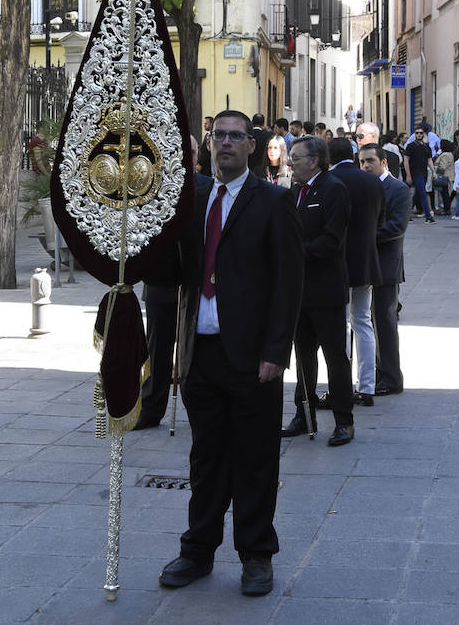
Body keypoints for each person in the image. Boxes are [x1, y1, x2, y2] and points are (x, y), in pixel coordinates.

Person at [158, 111, 303, 596]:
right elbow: (173, 266)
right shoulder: (193, 199)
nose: (224, 143)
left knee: (256, 460)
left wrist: (276, 352)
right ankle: (196, 551)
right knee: (205, 461)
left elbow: (288, 284)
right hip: (202, 353)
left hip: (253, 358)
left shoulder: (274, 202)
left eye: (235, 137)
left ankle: (256, 554)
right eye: (218, 135)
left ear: (252, 146)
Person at [282, 136, 354, 447]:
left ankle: (343, 420)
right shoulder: (296, 190)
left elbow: (331, 241)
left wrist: (294, 251)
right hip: (299, 291)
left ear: (314, 160)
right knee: (303, 356)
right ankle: (304, 413)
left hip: (326, 291)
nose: (290, 163)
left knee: (335, 357)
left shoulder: (333, 188)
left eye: (295, 158)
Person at [134, 137, 211, 431]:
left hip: (195, 281)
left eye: (190, 151)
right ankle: (151, 408)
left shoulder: (207, 187)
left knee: (196, 349)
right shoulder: (151, 188)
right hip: (160, 280)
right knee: (158, 348)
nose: (184, 156)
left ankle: (200, 406)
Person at [326, 138, 385, 406]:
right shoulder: (373, 181)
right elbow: (380, 220)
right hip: (365, 261)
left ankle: (342, 388)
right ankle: (368, 387)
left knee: (339, 326)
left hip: (336, 263)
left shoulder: (327, 181)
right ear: (352, 154)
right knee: (362, 322)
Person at [358, 144, 411, 396]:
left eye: (370, 161)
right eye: (362, 161)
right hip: (364, 264)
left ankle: (392, 377)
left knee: (384, 320)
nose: (366, 166)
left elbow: (396, 227)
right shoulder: (361, 188)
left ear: (383, 163)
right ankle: (377, 370)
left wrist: (361, 238)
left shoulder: (398, 189)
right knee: (366, 320)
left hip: (386, 264)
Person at [403, 126, 436, 223]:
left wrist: (433, 172)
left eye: (421, 133)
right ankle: (428, 216)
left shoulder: (426, 147)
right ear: (414, 134)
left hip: (424, 173)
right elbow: (406, 161)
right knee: (423, 194)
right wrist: (408, 175)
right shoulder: (411, 146)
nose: (419, 134)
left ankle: (406, 214)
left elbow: (429, 160)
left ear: (424, 134)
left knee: (417, 194)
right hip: (415, 173)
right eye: (417, 133)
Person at [434, 139, 454, 215]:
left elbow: (443, 167)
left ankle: (446, 209)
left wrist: (436, 169)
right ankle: (446, 208)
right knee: (446, 193)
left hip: (444, 176)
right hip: (449, 176)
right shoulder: (450, 154)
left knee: (444, 193)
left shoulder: (445, 155)